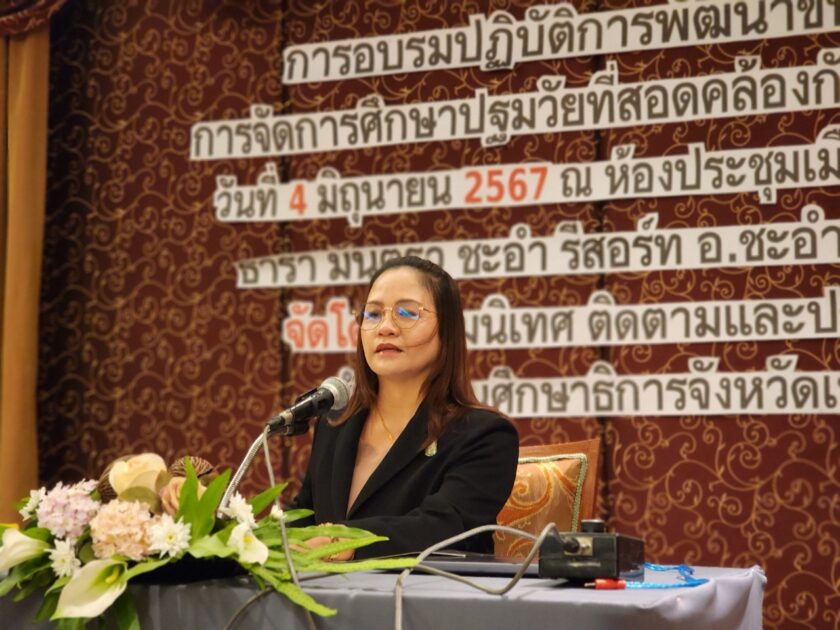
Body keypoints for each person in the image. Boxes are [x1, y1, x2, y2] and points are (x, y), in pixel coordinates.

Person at [292, 256, 519, 560]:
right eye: (373, 314)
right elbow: (304, 516)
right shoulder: (336, 423)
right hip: (328, 591)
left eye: (407, 313)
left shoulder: (484, 435)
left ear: (447, 329)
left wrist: (346, 541)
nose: (385, 327)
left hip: (432, 589)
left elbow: (446, 527)